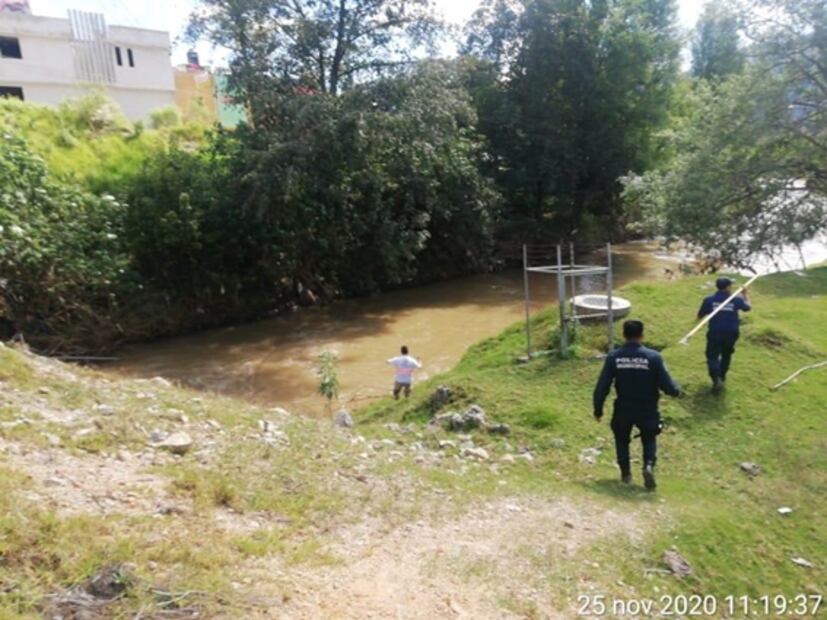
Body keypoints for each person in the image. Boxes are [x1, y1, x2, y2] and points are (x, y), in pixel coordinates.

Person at [593, 320, 681, 490]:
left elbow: (602, 386)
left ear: (624, 335)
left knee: (621, 438)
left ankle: (626, 474)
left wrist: (598, 409)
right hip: (647, 408)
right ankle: (648, 466)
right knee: (649, 437)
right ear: (642, 335)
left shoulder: (614, 357)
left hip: (623, 407)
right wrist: (676, 391)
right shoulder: (654, 357)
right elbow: (667, 385)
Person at [697, 277, 751, 392]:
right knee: (727, 354)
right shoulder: (736, 300)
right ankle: (721, 377)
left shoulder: (709, 300)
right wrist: (745, 294)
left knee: (712, 356)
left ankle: (716, 378)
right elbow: (748, 307)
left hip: (715, 332)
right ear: (727, 287)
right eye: (730, 285)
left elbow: (701, 314)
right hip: (731, 333)